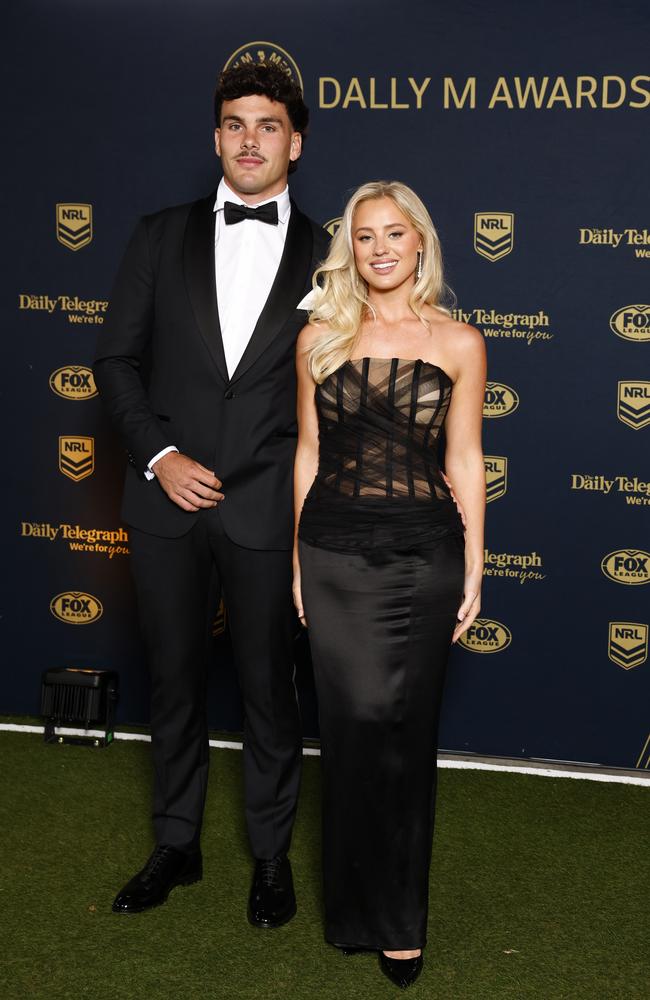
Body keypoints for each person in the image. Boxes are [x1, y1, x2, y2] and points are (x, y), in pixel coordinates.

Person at [94, 62, 329, 926]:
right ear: (216, 136)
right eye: (234, 124)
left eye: (267, 125)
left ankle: (271, 858)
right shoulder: (159, 235)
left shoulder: (329, 253)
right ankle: (176, 844)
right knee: (175, 682)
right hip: (166, 499)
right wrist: (158, 453)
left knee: (272, 690)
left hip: (271, 505)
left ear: (294, 143)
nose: (250, 140)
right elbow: (115, 359)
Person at [293, 181, 486, 988]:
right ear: (351, 247)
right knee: (349, 733)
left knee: (403, 739)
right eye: (365, 235)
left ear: (420, 245)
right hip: (333, 554)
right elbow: (307, 452)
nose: (378, 248)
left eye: (394, 233)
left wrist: (476, 567)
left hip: (422, 556)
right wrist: (295, 561)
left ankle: (400, 920)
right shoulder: (316, 338)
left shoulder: (460, 341)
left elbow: (466, 459)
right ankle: (352, 908)